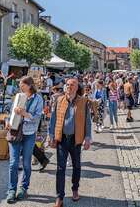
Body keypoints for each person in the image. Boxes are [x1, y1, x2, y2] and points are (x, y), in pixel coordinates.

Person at [48, 78, 92, 207]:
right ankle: (59, 197)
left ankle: (75, 189)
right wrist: (51, 136)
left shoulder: (83, 101)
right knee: (60, 168)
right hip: (61, 138)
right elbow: (53, 119)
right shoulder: (59, 100)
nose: (69, 87)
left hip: (76, 139)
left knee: (77, 166)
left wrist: (88, 138)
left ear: (77, 87)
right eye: (67, 85)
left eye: (72, 85)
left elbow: (87, 121)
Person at [6, 76, 44, 203]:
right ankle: (11, 190)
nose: (20, 87)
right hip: (15, 132)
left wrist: (24, 114)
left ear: (30, 85)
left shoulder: (38, 99)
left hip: (29, 134)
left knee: (27, 163)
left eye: (22, 85)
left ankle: (23, 187)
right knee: (13, 163)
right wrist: (7, 121)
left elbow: (37, 118)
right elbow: (11, 112)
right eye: (20, 85)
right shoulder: (18, 97)